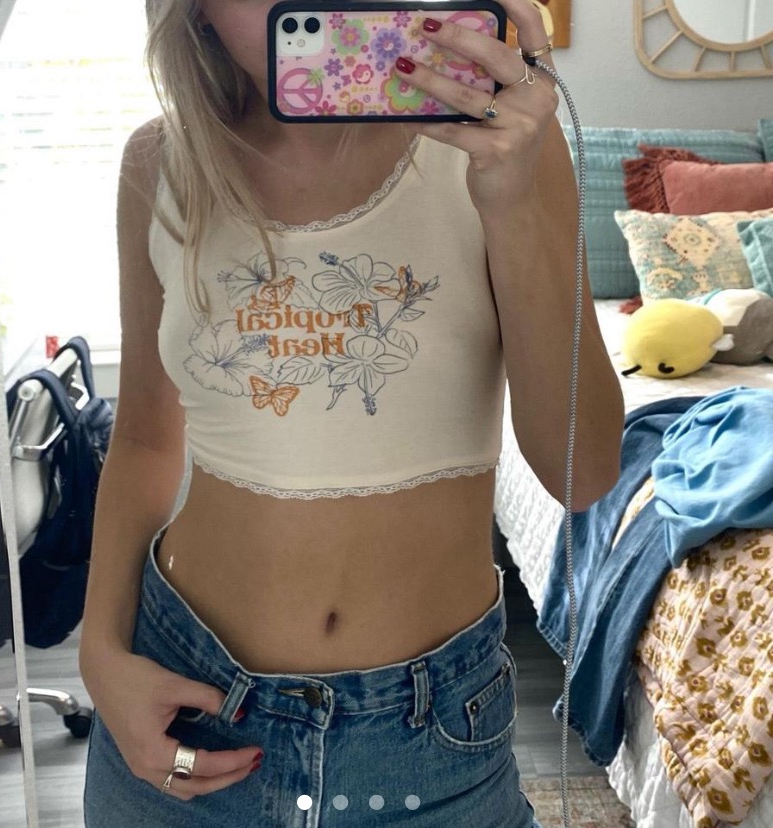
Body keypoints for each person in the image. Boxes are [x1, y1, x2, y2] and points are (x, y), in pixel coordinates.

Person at [80, 0, 625, 825]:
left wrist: (512, 202)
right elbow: (145, 442)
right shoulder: (159, 163)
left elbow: (583, 473)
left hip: (432, 735)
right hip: (188, 697)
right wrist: (99, 654)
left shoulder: (500, 148)